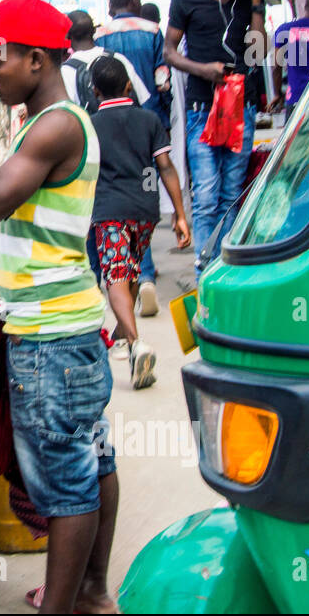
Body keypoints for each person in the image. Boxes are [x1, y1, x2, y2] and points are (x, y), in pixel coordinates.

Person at [0, 0, 117, 615]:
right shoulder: (51, 121)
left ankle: (69, 607)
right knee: (92, 460)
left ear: (37, 59)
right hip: (68, 327)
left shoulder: (56, 125)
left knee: (67, 482)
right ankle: (92, 594)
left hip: (50, 337)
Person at [88, 56, 191, 388]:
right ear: (128, 85)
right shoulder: (149, 120)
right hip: (145, 210)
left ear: (94, 90)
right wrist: (179, 214)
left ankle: (135, 343)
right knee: (130, 269)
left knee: (115, 274)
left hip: (109, 210)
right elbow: (166, 166)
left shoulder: (90, 126)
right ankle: (125, 332)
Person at [164, 0, 265, 273]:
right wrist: (203, 69)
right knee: (206, 196)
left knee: (231, 194)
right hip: (202, 109)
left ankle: (228, 269)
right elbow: (169, 53)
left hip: (242, 108)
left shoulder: (246, 1)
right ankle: (205, 270)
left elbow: (258, 52)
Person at [96, 0, 167, 314]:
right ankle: (147, 273)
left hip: (109, 127)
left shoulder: (101, 35)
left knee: (119, 209)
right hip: (146, 131)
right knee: (144, 196)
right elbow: (162, 77)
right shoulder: (153, 30)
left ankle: (127, 279)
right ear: (135, 1)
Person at [63, 10, 150, 112]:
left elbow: (68, 111)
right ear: (94, 31)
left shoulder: (66, 71)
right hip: (126, 124)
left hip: (91, 126)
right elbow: (142, 97)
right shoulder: (118, 58)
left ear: (67, 35)